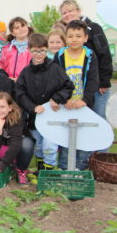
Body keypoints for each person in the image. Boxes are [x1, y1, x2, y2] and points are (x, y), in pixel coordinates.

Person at [15, 33, 74, 171]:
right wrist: (32, 107)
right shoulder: (26, 72)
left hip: (52, 117)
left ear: (46, 50)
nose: (38, 54)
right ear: (29, 50)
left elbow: (68, 87)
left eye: (42, 50)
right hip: (34, 117)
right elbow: (19, 92)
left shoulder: (55, 69)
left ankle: (49, 172)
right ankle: (40, 171)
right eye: (35, 51)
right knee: (38, 146)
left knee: (50, 146)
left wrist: (57, 98)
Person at [55, 20, 99, 170]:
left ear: (85, 38)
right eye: (71, 36)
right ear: (66, 38)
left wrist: (85, 100)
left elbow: (93, 79)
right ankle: (64, 166)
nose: (74, 39)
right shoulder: (60, 55)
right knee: (66, 135)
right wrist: (63, 99)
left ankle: (81, 166)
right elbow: (57, 80)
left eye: (78, 36)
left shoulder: (90, 55)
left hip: (83, 104)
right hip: (66, 104)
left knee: (84, 135)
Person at [59, 0, 113, 119]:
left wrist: (104, 81)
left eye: (70, 11)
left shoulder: (93, 28)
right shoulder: (65, 32)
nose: (67, 14)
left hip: (98, 85)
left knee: (98, 119)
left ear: (78, 10)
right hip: (79, 86)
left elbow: (104, 54)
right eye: (64, 13)